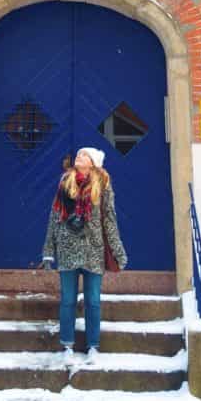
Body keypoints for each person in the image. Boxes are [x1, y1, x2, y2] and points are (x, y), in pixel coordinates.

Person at [42, 146, 127, 363]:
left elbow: (109, 219)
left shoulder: (104, 186)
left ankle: (93, 347)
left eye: (84, 155)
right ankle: (67, 346)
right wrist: (48, 251)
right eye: (78, 154)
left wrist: (118, 251)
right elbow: (54, 216)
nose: (79, 157)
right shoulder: (65, 183)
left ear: (93, 163)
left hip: (93, 249)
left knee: (93, 301)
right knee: (68, 300)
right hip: (67, 248)